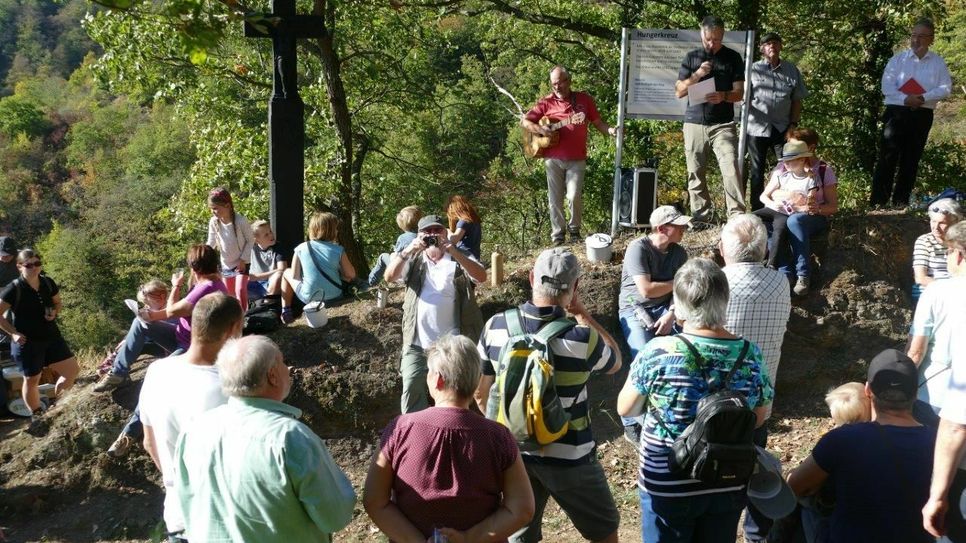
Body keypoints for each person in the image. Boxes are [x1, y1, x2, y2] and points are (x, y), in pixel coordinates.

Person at [617, 258, 772, 543]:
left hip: (668, 479)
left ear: (679, 303)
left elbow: (626, 407)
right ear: (725, 300)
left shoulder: (658, 351)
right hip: (726, 477)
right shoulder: (750, 354)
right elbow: (760, 416)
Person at [476, 247, 622, 543]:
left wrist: (512, 431)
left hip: (514, 456)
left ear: (531, 278)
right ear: (575, 287)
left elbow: (481, 394)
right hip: (572, 458)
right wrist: (582, 313)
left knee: (520, 536)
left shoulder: (496, 326)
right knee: (604, 532)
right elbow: (615, 361)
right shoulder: (582, 338)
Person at [175, 335, 356, 541]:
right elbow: (335, 517)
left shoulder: (193, 430)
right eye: (283, 362)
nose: (288, 369)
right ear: (272, 376)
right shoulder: (289, 437)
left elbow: (187, 507)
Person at [363, 334, 534, 542]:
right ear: (477, 380)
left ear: (438, 379)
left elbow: (374, 501)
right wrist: (468, 538)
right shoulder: (498, 436)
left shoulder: (400, 429)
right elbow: (522, 509)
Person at [787, 349, 936, 543]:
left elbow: (795, 486)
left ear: (868, 390)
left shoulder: (842, 439)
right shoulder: (940, 443)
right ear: (916, 393)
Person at [104, 244, 227, 458]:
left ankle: (129, 434)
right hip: (182, 337)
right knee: (139, 324)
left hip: (193, 348)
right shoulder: (208, 282)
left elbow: (169, 311)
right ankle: (118, 372)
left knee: (158, 378)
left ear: (193, 267)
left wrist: (175, 286)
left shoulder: (206, 287)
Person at [139, 292, 243, 542]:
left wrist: (178, 484)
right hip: (222, 523)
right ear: (232, 330)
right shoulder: (227, 387)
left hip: (178, 516)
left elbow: (149, 442)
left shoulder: (156, 372)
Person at [719, 213, 791, 542]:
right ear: (765, 251)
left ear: (723, 248)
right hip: (761, 399)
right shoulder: (780, 282)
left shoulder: (715, 283)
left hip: (715, 404)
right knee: (754, 467)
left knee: (717, 476)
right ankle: (755, 535)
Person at [385, 214, 486, 414]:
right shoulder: (413, 257)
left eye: (437, 230)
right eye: (427, 231)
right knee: (412, 387)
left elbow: (481, 277)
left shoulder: (459, 254)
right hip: (416, 342)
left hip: (453, 344)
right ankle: (416, 436)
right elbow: (389, 277)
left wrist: (453, 251)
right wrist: (410, 249)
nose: (432, 235)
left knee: (457, 392)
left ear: (446, 232)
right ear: (419, 235)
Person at [521, 65, 618, 246]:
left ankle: (574, 231)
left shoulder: (584, 100)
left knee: (573, 196)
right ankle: (558, 235)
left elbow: (598, 123)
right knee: (555, 199)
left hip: (577, 158)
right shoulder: (546, 102)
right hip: (553, 159)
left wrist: (611, 130)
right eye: (554, 84)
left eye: (560, 82)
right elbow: (525, 121)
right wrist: (540, 129)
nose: (557, 87)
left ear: (569, 81)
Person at [618, 205, 690, 443]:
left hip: (666, 308)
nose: (683, 228)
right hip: (634, 309)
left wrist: (671, 313)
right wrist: (679, 280)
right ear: (662, 228)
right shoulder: (637, 248)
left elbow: (681, 293)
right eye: (678, 225)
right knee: (642, 356)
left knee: (687, 349)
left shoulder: (679, 253)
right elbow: (646, 290)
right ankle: (631, 421)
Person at [870, 17, 952, 208]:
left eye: (922, 36)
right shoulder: (898, 59)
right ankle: (877, 203)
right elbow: (886, 86)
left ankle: (900, 203)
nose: (916, 40)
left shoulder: (938, 63)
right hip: (896, 112)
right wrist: (905, 99)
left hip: (922, 114)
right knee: (887, 157)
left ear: (931, 39)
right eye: (914, 35)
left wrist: (923, 97)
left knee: (911, 158)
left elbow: (945, 88)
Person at [674, 15, 746, 220]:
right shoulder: (691, 57)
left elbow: (739, 93)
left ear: (723, 35)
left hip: (723, 124)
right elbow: (679, 91)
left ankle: (737, 216)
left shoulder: (733, 58)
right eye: (708, 39)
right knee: (695, 172)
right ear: (701, 34)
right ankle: (701, 217)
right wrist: (697, 75)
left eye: (717, 39)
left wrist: (723, 96)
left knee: (731, 167)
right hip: (694, 123)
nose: (712, 43)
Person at [0, 248, 80, 420]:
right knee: (32, 380)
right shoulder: (13, 288)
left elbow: (58, 302)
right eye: (29, 265)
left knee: (72, 370)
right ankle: (38, 416)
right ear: (19, 266)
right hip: (27, 342)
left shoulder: (48, 282)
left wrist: (54, 312)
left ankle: (59, 408)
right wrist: (13, 334)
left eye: (37, 263)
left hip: (52, 337)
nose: (34, 267)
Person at [762, 129, 839, 294]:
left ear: (809, 149)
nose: (789, 149)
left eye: (794, 145)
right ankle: (785, 272)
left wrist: (816, 207)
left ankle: (803, 274)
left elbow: (833, 206)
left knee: (794, 221)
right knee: (767, 222)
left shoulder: (823, 170)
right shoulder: (784, 166)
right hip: (784, 212)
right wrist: (789, 195)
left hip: (811, 217)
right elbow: (770, 192)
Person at [907, 221, 966, 430]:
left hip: (935, 399)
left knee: (933, 461)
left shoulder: (936, 292)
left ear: (958, 255)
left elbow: (916, 353)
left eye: (948, 252)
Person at [746, 32, 808, 211]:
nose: (771, 46)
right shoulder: (752, 69)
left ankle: (784, 206)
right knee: (756, 171)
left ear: (781, 46)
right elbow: (742, 98)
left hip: (783, 128)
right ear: (761, 49)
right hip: (757, 128)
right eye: (767, 44)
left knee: (787, 168)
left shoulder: (791, 70)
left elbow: (797, 100)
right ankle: (757, 208)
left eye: (775, 43)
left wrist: (793, 125)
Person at [94, 279, 180, 392]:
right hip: (160, 346)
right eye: (144, 303)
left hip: (173, 347)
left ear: (162, 297)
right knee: (135, 340)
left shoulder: (174, 307)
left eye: (148, 302)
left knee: (139, 324)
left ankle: (118, 373)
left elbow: (173, 331)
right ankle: (117, 371)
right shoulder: (152, 310)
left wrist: (153, 321)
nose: (146, 306)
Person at [281, 211, 356, 323]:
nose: (337, 231)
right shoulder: (338, 250)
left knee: (287, 272)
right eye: (335, 228)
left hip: (309, 297)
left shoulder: (300, 248)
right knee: (346, 276)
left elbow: (295, 276)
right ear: (330, 230)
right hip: (335, 295)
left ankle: (286, 310)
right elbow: (351, 275)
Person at [206, 187, 255, 311]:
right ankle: (235, 321)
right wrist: (203, 254)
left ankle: (244, 318)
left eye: (216, 208)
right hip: (226, 264)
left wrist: (243, 259)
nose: (213, 211)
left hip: (242, 263)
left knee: (240, 290)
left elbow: (251, 240)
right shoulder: (214, 222)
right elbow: (211, 242)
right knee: (230, 296)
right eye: (212, 209)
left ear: (227, 205)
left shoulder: (240, 221)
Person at [911, 198, 962, 305]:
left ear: (955, 222)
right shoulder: (925, 241)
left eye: (942, 223)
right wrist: (950, 290)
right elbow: (920, 278)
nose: (935, 227)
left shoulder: (961, 242)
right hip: (930, 291)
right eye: (933, 221)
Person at [368, 205, 422, 287]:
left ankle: (370, 282)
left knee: (383, 257)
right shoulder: (424, 235)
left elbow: (398, 258)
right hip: (418, 273)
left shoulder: (403, 238)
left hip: (403, 275)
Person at [246, 220, 289, 304]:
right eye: (266, 235)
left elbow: (282, 269)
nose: (271, 235)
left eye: (270, 232)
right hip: (255, 285)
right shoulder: (250, 249)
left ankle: (267, 304)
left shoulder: (278, 248)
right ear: (256, 240)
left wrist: (257, 276)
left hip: (270, 284)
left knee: (278, 275)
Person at [446, 195, 483, 260]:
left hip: (466, 257)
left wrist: (447, 231)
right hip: (474, 257)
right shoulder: (474, 220)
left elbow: (453, 240)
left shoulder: (463, 221)